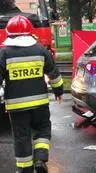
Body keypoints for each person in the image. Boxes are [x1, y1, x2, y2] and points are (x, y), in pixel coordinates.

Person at [0, 15, 63, 173]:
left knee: (22, 137)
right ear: (30, 32)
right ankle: (40, 159)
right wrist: (59, 91)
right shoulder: (40, 50)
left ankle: (25, 169)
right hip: (40, 103)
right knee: (42, 129)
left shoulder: (4, 53)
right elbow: (54, 74)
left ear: (9, 33)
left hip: (17, 106)